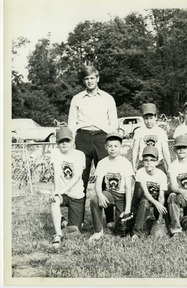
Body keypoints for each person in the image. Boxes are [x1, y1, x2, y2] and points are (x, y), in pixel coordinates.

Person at [68, 65, 118, 225]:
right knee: (80, 179)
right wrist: (72, 142)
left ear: (97, 78)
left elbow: (113, 123)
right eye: (86, 79)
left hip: (101, 138)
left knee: (107, 178)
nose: (89, 81)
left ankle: (110, 219)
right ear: (84, 81)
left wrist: (110, 141)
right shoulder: (77, 98)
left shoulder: (107, 98)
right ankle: (78, 221)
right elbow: (71, 123)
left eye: (92, 78)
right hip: (82, 137)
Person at [89, 132, 133, 241]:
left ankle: (115, 223)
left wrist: (127, 208)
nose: (113, 149)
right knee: (94, 200)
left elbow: (128, 187)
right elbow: (98, 183)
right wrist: (100, 194)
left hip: (122, 196)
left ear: (120, 147)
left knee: (120, 231)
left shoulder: (126, 163)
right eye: (110, 146)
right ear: (105, 147)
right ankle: (98, 231)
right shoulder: (102, 163)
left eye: (116, 146)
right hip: (110, 193)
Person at [131, 103, 171, 219]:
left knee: (161, 191)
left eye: (151, 118)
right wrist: (133, 165)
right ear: (143, 118)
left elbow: (166, 151)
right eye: (146, 118)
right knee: (139, 192)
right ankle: (135, 218)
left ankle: (161, 218)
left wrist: (169, 167)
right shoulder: (139, 131)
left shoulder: (161, 132)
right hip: (144, 164)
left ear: (156, 117)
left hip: (158, 164)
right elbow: (135, 149)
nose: (149, 121)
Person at [49, 127, 85, 248]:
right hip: (62, 194)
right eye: (61, 141)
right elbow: (57, 172)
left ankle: (63, 221)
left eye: (67, 140)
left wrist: (61, 190)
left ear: (73, 141)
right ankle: (58, 234)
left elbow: (77, 176)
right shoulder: (55, 152)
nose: (64, 143)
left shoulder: (79, 154)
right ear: (57, 142)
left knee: (74, 230)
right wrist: (56, 192)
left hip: (76, 195)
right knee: (54, 201)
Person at [131, 146, 168, 240]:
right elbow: (146, 193)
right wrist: (156, 203)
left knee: (163, 220)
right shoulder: (140, 172)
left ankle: (153, 222)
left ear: (157, 162)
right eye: (146, 160)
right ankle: (136, 233)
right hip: (146, 197)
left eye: (152, 160)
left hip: (157, 199)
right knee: (144, 203)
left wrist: (160, 216)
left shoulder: (161, 175)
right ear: (142, 161)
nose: (148, 163)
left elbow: (161, 196)